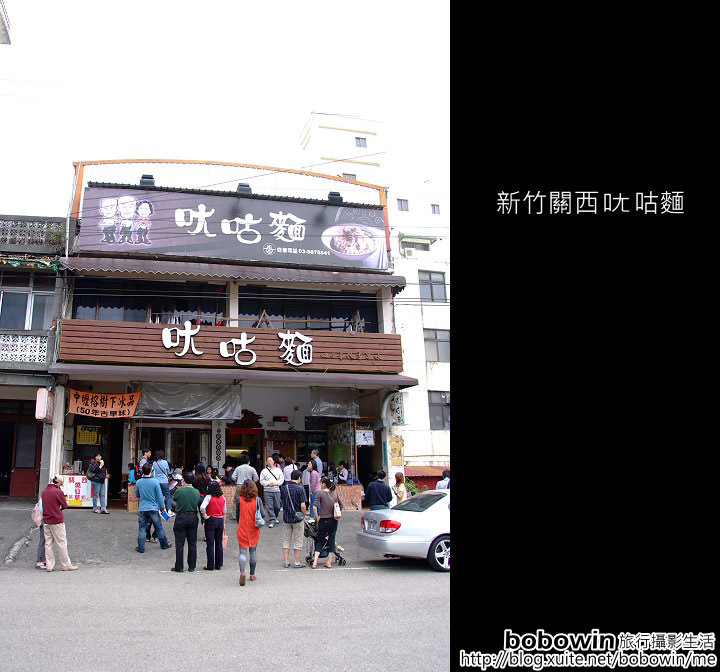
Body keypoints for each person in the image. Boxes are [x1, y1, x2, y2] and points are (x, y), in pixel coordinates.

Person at [41, 475, 78, 571]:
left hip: (46, 520)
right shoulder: (58, 492)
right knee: (61, 543)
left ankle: (49, 565)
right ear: (59, 483)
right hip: (56, 520)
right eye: (61, 484)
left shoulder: (44, 491)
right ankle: (66, 565)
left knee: (48, 543)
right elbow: (65, 505)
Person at [135, 463, 172, 553]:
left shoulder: (139, 482)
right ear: (151, 471)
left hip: (142, 508)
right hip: (153, 508)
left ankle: (141, 547)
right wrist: (163, 507)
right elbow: (159, 496)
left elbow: (137, 494)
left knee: (142, 528)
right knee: (158, 527)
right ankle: (164, 544)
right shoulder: (155, 482)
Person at [236, 479, 265, 586]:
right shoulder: (257, 500)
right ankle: (252, 574)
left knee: (242, 552)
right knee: (253, 551)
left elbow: (237, 516)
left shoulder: (239, 500)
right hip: (254, 528)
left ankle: (242, 572)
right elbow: (263, 514)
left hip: (242, 527)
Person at [170, 471, 201, 573]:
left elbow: (174, 499)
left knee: (179, 543)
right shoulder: (196, 492)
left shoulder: (179, 491)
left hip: (181, 517)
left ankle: (179, 566)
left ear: (183, 480)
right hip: (193, 516)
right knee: (192, 543)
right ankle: (191, 566)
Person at [311, 477, 343, 569]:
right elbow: (341, 505)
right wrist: (337, 513)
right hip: (333, 520)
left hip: (323, 520)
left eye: (321, 483)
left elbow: (314, 506)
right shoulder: (335, 493)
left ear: (324, 484)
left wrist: (317, 517)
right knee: (331, 539)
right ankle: (329, 562)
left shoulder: (320, 493)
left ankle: (315, 562)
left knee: (320, 540)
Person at [279, 469, 308, 568]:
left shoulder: (284, 488)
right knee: (298, 540)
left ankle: (286, 561)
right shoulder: (300, 489)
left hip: (286, 517)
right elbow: (303, 506)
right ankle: (296, 562)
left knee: (286, 540)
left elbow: (282, 501)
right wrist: (304, 515)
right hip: (297, 518)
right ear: (299, 478)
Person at [200, 480, 226, 570]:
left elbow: (202, 507)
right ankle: (218, 564)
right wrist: (224, 523)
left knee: (210, 543)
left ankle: (210, 565)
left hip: (211, 520)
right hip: (220, 520)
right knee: (219, 543)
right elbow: (224, 511)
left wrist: (204, 515)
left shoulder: (208, 497)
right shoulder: (222, 497)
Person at [231, 454, 259, 520]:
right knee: (250, 499)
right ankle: (250, 514)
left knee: (236, 500)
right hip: (249, 486)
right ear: (248, 461)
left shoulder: (238, 468)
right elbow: (256, 478)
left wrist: (236, 481)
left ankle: (234, 516)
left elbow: (233, 477)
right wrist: (252, 483)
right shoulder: (252, 469)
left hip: (240, 485)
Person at [259, 456, 284, 528]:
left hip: (276, 490)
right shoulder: (264, 471)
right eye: (268, 461)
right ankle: (272, 519)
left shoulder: (278, 470)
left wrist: (275, 483)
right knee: (269, 506)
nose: (269, 462)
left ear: (273, 461)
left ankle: (275, 517)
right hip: (267, 490)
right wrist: (267, 484)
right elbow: (261, 480)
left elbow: (281, 479)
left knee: (277, 506)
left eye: (270, 460)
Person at [152, 449, 174, 516]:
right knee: (167, 495)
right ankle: (169, 510)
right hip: (164, 481)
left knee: (158, 495)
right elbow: (167, 471)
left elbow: (153, 473)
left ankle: (158, 510)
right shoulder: (165, 462)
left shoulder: (154, 463)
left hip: (157, 481)